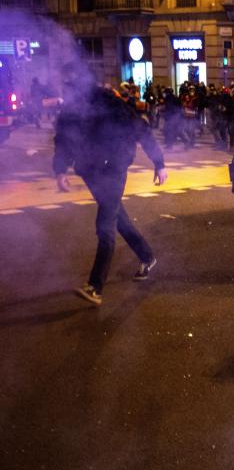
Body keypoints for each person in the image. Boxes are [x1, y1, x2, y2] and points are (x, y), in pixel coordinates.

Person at [53, 61, 168, 305]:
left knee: (105, 223)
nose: (67, 86)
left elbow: (140, 128)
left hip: (114, 166)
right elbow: (63, 138)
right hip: (91, 170)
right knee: (119, 219)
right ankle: (147, 257)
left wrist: (159, 162)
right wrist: (60, 170)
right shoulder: (71, 109)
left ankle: (95, 286)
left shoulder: (109, 102)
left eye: (71, 82)